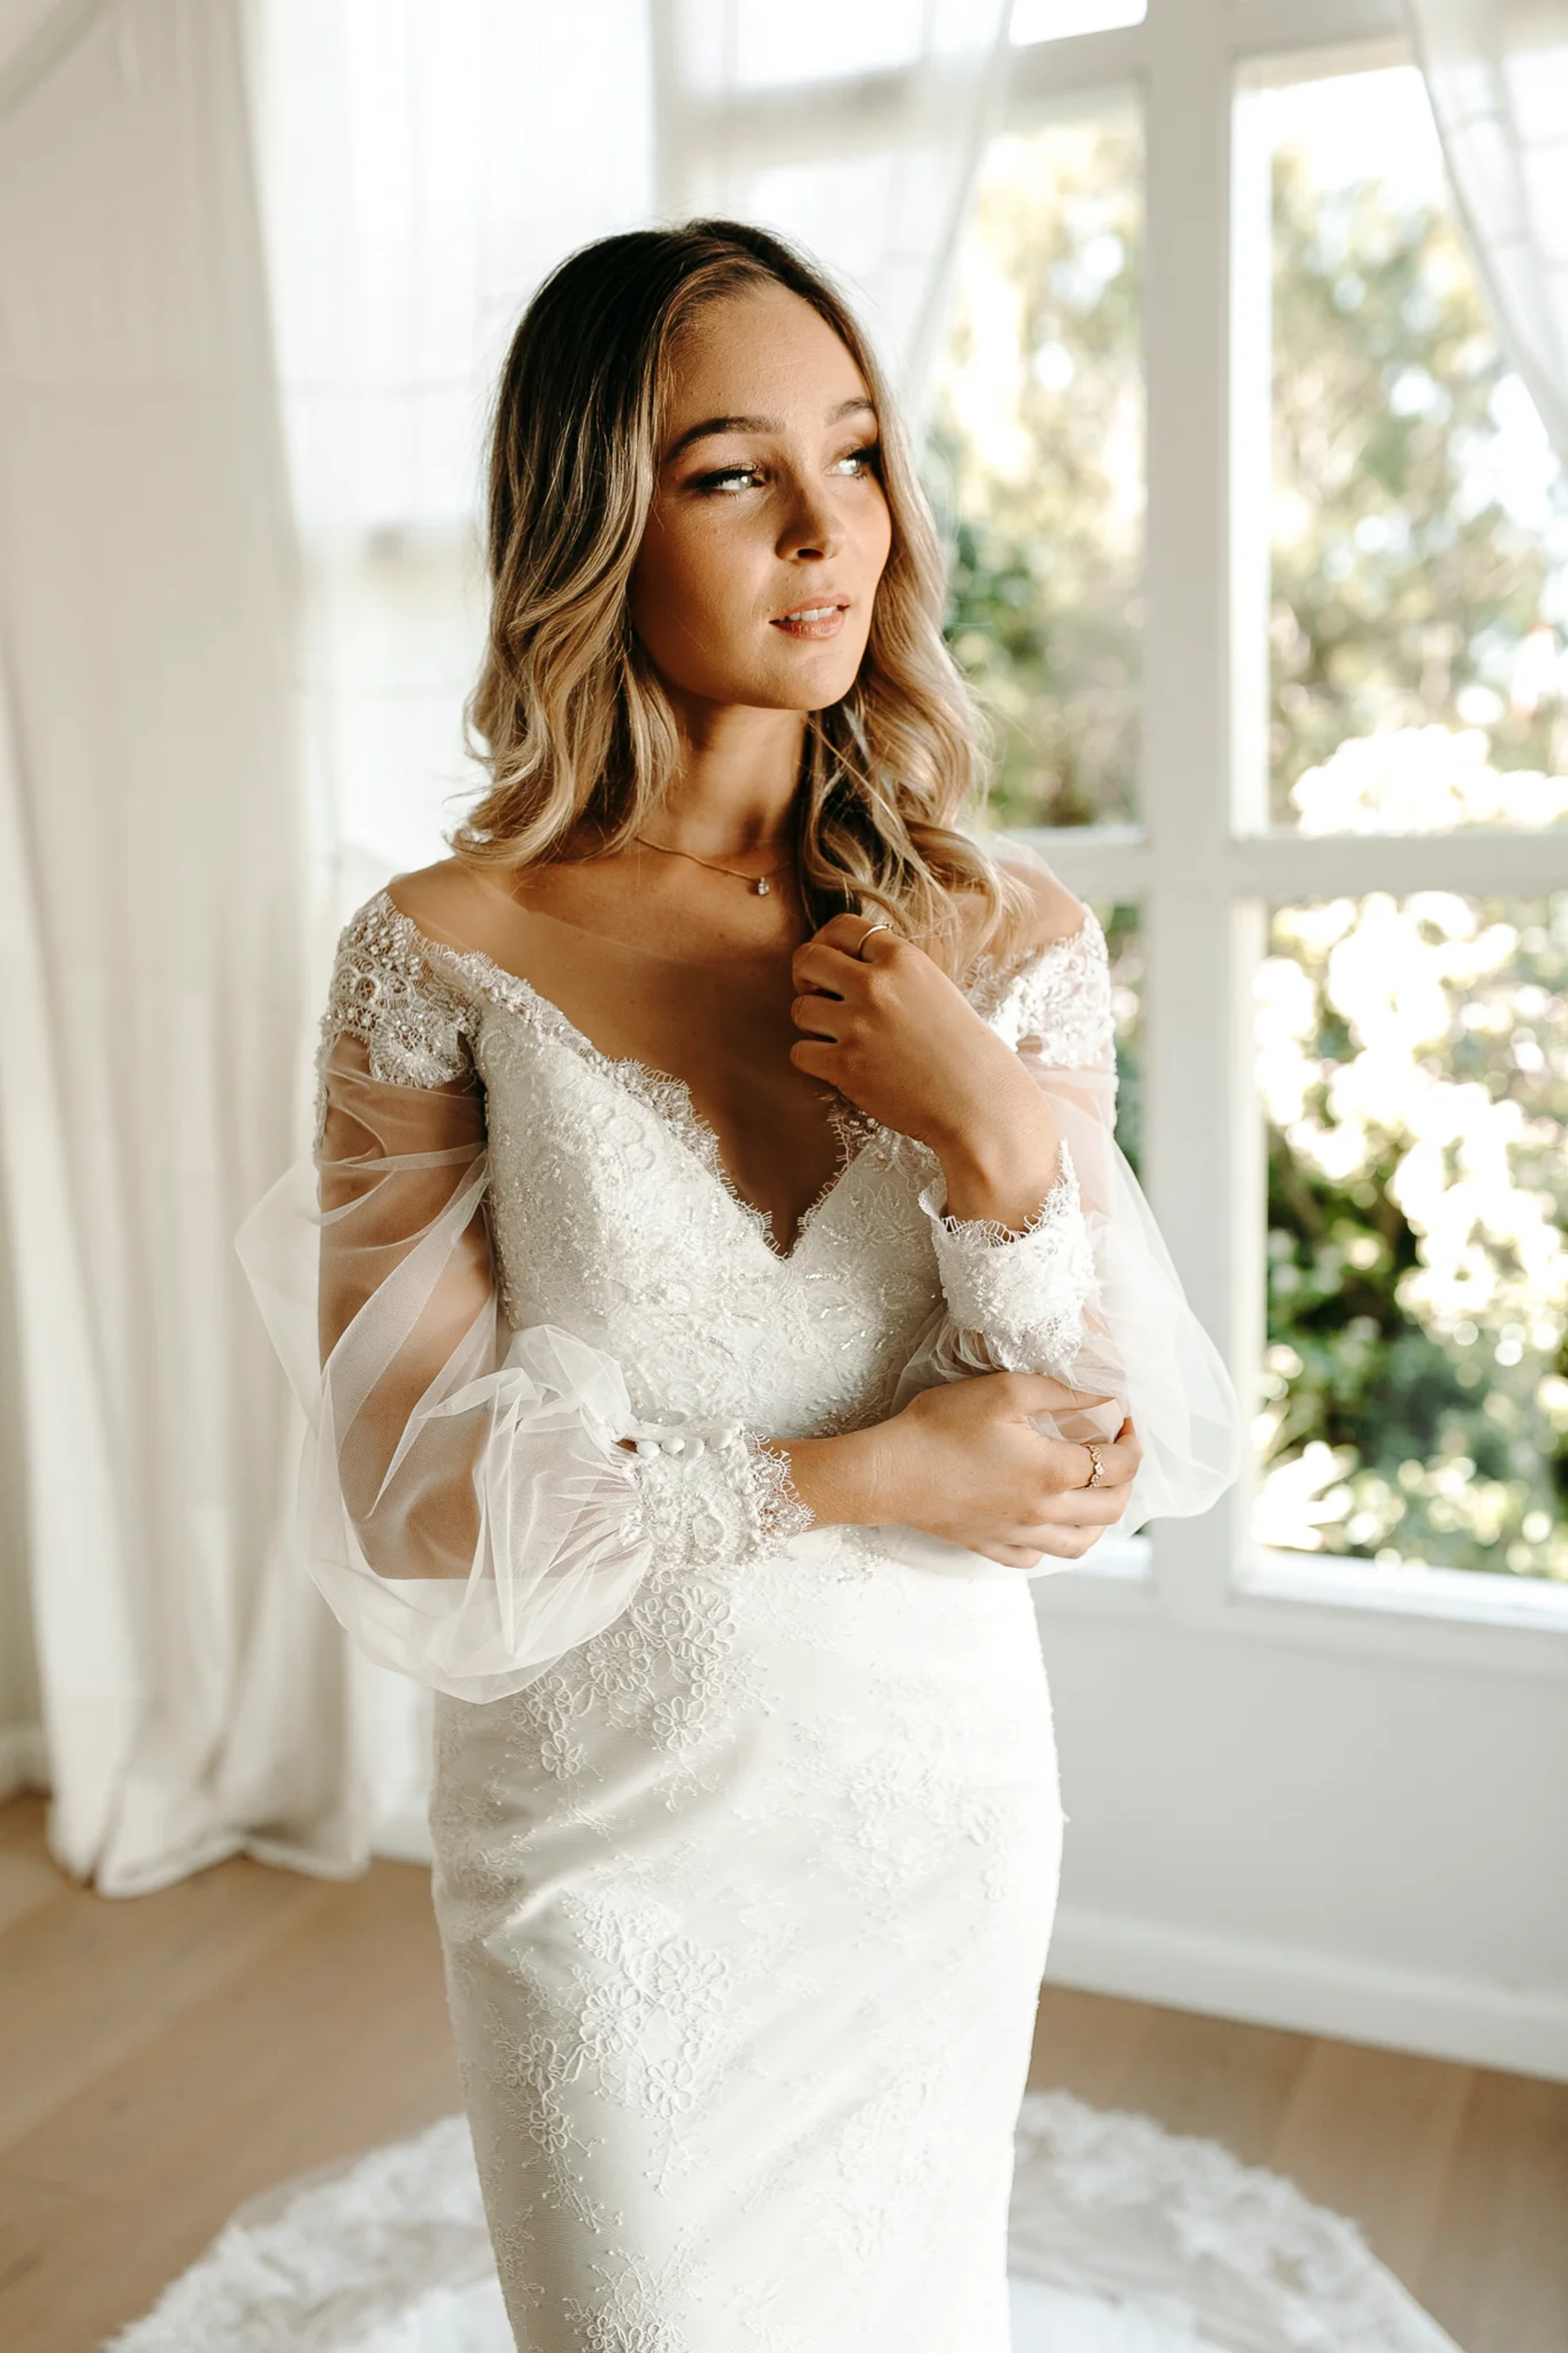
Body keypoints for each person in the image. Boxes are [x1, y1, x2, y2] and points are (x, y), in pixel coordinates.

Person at [241, 218, 1236, 2350]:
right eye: (732, 472)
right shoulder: (443, 951)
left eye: (858, 454)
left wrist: (991, 1128)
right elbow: (414, 1507)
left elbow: (1080, 1445)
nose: (828, 530)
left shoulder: (1007, 935)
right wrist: (866, 1476)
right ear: (593, 520)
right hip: (605, 1852)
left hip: (928, 1813)